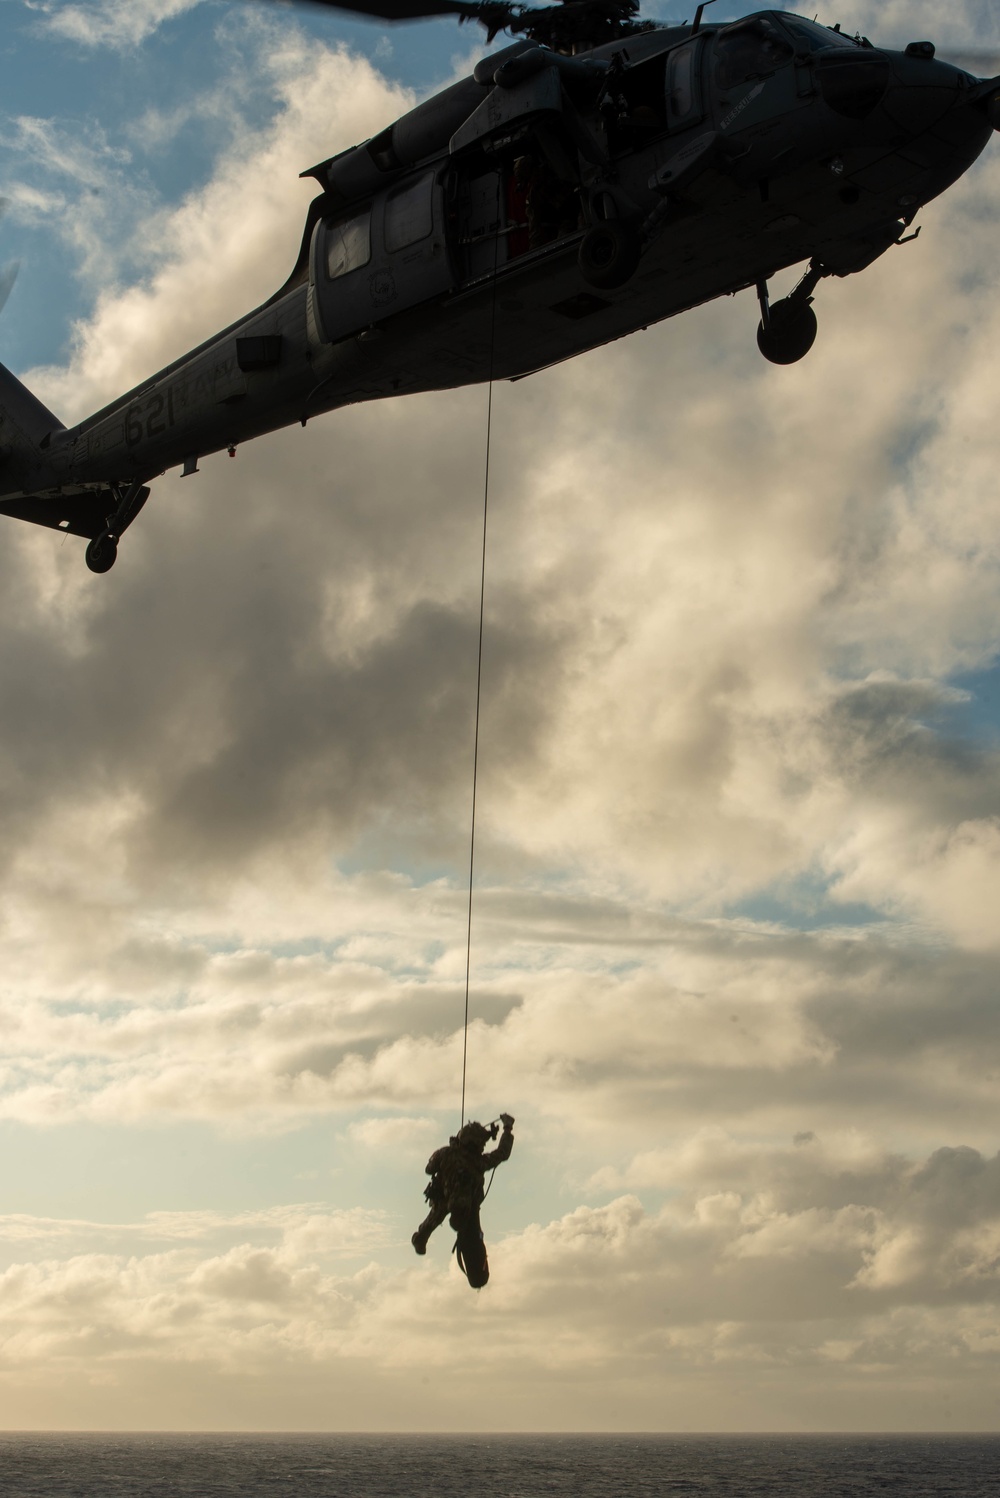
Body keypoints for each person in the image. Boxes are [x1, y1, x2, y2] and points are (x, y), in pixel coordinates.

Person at [411, 1113, 515, 1266]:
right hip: (457, 1200)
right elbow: (502, 1153)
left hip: (447, 1197)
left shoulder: (447, 1153)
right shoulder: (478, 1162)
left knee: (435, 1217)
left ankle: (421, 1238)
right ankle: (422, 1238)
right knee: (443, 1216)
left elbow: (429, 1169)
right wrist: (507, 1129)